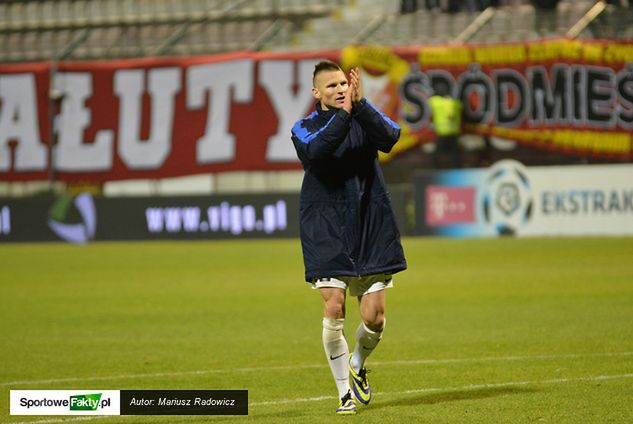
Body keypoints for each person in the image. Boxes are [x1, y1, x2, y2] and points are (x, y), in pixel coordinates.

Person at [290, 60, 407, 415]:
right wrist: (345, 114)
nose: (340, 90)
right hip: (325, 226)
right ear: (316, 93)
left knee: (374, 318)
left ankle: (356, 364)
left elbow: (391, 137)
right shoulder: (304, 127)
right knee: (334, 307)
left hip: (370, 224)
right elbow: (317, 151)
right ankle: (344, 394)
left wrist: (361, 107)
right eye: (331, 87)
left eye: (343, 83)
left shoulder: (363, 116)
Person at [428, 80, 463, 169]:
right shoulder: (455, 103)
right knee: (455, 155)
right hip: (454, 132)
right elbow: (461, 110)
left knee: (437, 155)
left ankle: (435, 170)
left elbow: (429, 102)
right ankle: (456, 171)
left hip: (442, 133)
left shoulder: (435, 102)